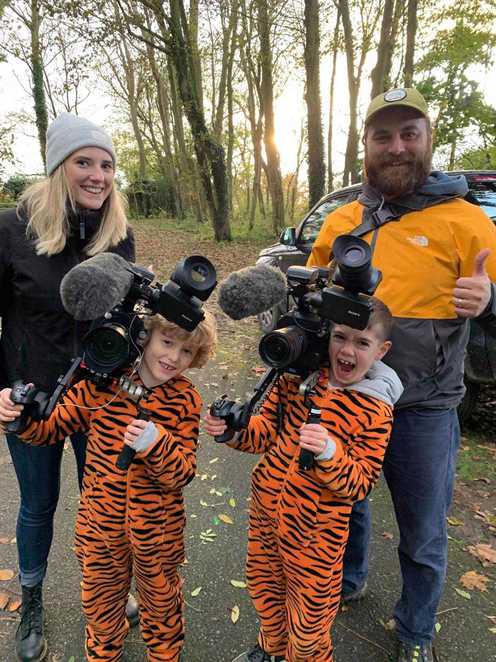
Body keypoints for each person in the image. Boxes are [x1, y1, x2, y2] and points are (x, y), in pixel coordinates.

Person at [307, 87, 496, 662]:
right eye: (382, 136)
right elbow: (309, 293)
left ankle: (415, 630)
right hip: (348, 399)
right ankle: (347, 581)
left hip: (424, 407)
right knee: (345, 503)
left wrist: (490, 295)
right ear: (365, 144)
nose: (396, 146)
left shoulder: (466, 221)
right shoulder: (343, 220)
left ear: (428, 140)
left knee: (423, 529)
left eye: (408, 133)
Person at [0, 311, 218, 661]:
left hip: (158, 534)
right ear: (144, 337)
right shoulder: (101, 386)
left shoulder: (185, 400)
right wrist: (21, 418)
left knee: (162, 611)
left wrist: (157, 445)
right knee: (101, 607)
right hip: (101, 528)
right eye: (167, 342)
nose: (174, 357)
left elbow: (184, 472)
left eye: (187, 352)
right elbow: (51, 429)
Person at [0, 113, 135, 661]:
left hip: (97, 399)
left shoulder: (117, 235)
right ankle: (31, 598)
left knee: (103, 500)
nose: (98, 175)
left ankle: (105, 592)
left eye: (106, 164)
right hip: (29, 398)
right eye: (84, 161)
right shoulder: (12, 231)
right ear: (60, 168)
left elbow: (128, 321)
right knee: (39, 502)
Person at [205, 298, 403, 662]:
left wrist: (330, 453)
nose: (347, 350)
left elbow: (360, 483)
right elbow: (263, 434)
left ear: (381, 351)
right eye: (340, 337)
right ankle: (269, 649)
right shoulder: (300, 380)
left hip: (316, 541)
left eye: (362, 343)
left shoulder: (375, 411)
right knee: (266, 594)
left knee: (309, 626)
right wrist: (233, 430)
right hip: (266, 520)